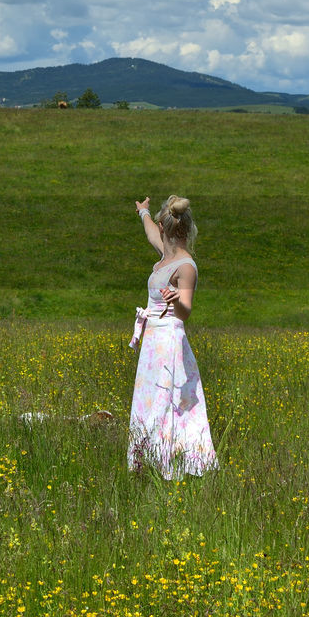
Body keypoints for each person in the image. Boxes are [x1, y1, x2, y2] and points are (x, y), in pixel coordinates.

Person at [127, 195, 219, 480]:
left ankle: (173, 461)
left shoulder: (186, 267)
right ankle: (147, 460)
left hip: (169, 343)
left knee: (167, 403)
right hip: (153, 345)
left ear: (165, 227)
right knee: (150, 401)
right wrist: (143, 212)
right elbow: (151, 234)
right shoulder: (165, 253)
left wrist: (176, 298)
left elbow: (185, 312)